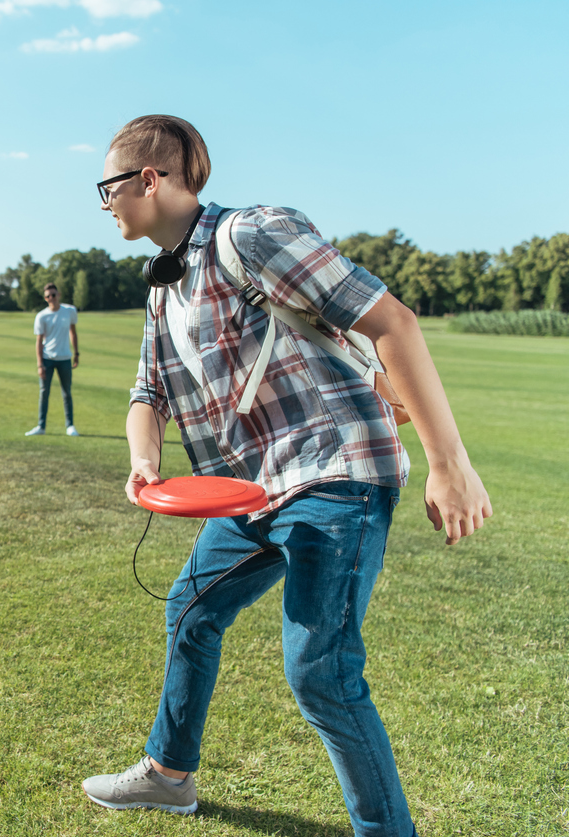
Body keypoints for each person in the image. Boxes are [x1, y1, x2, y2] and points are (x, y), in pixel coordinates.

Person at [80, 115, 491, 836]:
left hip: (333, 469)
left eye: (109, 188)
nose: (106, 203)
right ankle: (170, 776)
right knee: (192, 607)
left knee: (320, 672)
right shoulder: (162, 287)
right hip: (252, 489)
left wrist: (449, 465)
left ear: (150, 179)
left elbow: (393, 321)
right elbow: (148, 397)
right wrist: (145, 459)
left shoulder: (251, 234)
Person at [25, 283, 80, 437]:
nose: (51, 298)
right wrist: (39, 364)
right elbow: (39, 341)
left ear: (59, 295)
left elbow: (73, 333)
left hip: (65, 358)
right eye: (48, 296)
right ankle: (41, 426)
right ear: (45, 298)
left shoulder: (69, 311)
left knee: (67, 392)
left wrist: (76, 353)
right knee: (44, 393)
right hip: (47, 358)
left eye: (53, 295)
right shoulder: (42, 316)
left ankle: (70, 425)